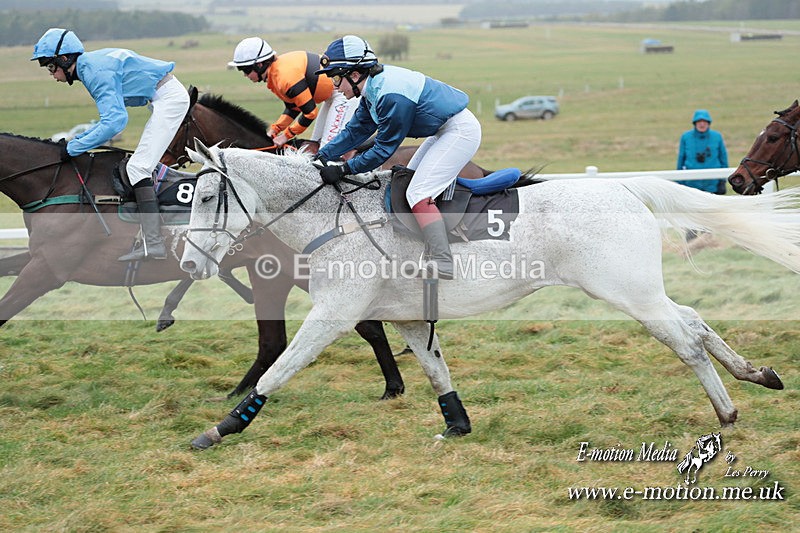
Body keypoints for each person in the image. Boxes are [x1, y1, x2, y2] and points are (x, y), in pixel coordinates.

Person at [315, 35, 481, 280]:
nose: (335, 86)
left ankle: (443, 261)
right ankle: (424, 250)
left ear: (355, 74)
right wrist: (321, 156)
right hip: (443, 130)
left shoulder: (389, 95)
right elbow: (354, 131)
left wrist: (343, 170)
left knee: (417, 193)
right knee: (403, 184)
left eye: (337, 78)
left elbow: (383, 150)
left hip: (459, 131)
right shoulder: (373, 89)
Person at [31, 28, 190, 261]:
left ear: (65, 60)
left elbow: (115, 122)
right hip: (162, 98)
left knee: (138, 168)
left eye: (51, 67)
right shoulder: (89, 67)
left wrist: (73, 148)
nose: (52, 74)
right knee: (138, 165)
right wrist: (76, 143)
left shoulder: (93, 71)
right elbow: (109, 120)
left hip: (169, 99)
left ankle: (154, 243)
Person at [228, 37, 358, 151]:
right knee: (314, 146)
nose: (245, 75)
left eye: (245, 69)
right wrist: (274, 130)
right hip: (331, 95)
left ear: (259, 64)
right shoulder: (275, 75)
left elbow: (311, 113)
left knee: (327, 150)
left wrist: (286, 136)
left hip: (344, 93)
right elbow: (293, 109)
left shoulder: (284, 77)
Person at [676, 109, 729, 195]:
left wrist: (722, 180)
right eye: (699, 121)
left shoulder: (717, 136)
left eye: (705, 121)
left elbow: (723, 158)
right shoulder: (686, 137)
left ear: (708, 123)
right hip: (691, 184)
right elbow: (681, 159)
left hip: (713, 184)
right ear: (695, 123)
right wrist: (679, 180)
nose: (702, 124)